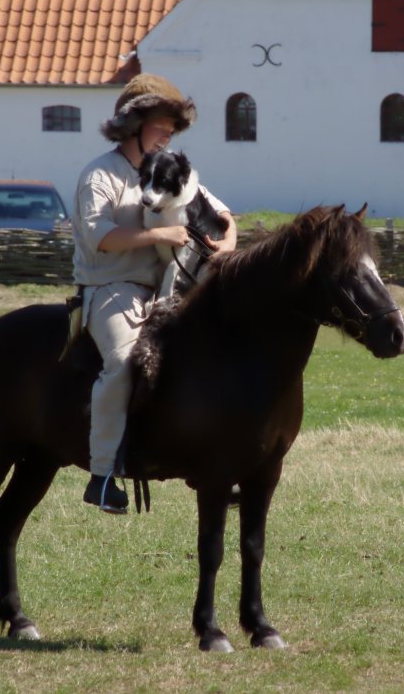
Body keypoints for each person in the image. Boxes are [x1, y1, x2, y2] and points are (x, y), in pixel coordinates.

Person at [72, 73, 237, 514]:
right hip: (112, 288)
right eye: (160, 126)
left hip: (170, 288)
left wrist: (231, 237)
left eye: (171, 128)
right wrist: (160, 233)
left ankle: (206, 463)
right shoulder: (99, 175)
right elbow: (98, 237)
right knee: (123, 363)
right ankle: (102, 476)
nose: (167, 135)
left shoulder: (167, 169)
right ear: (133, 125)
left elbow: (219, 209)